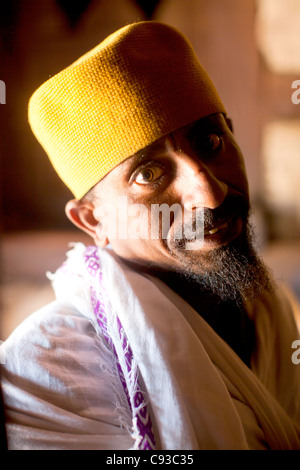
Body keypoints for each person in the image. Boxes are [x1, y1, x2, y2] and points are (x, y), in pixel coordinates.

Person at [1, 21, 299, 451]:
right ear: (93, 221)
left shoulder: (266, 310)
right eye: (149, 173)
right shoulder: (43, 377)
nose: (210, 193)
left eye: (210, 140)